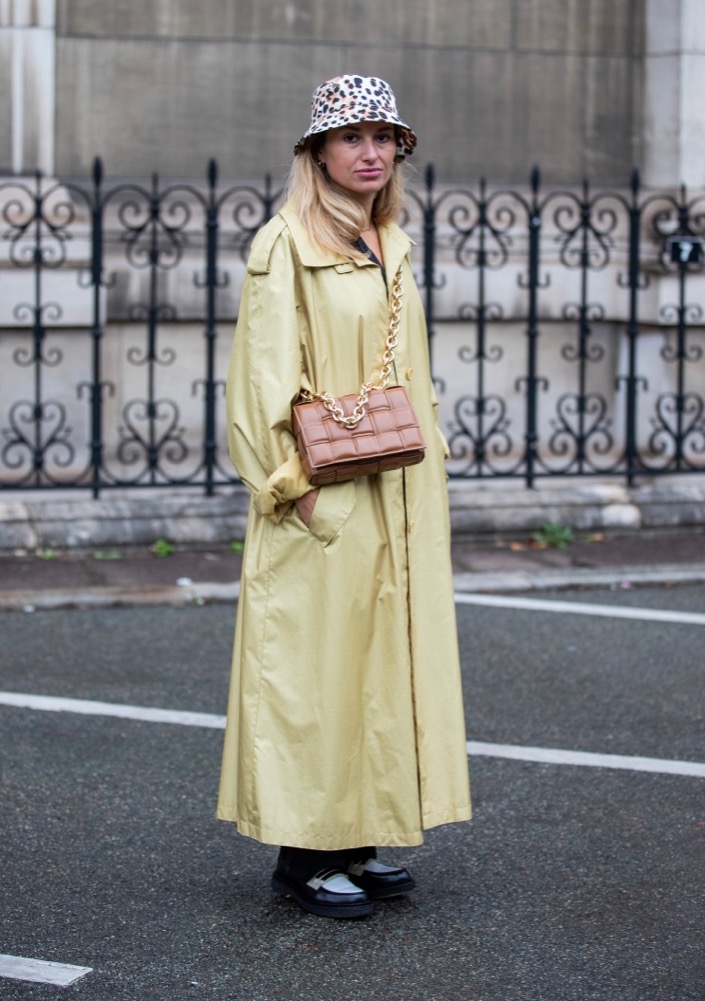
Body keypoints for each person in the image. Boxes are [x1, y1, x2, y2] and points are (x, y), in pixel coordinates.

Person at [218, 74, 471, 919]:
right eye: (351, 137)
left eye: (382, 138)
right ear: (316, 152)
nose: (370, 152)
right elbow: (261, 385)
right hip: (325, 498)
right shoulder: (284, 243)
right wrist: (293, 492)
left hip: (394, 492)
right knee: (315, 674)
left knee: (375, 670)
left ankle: (355, 842)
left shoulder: (386, 240)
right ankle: (306, 855)